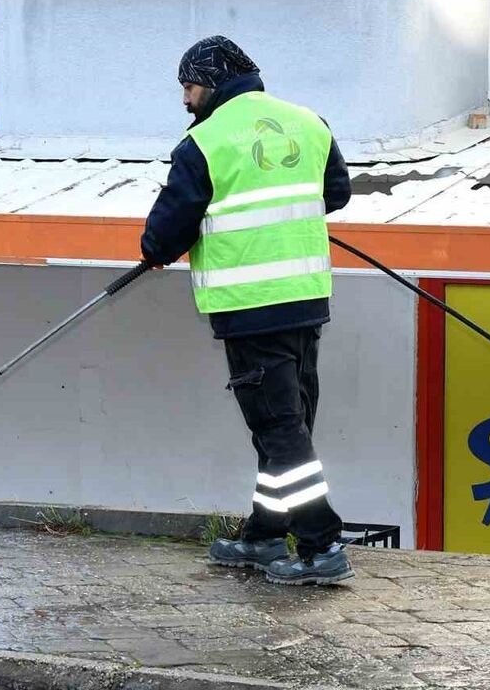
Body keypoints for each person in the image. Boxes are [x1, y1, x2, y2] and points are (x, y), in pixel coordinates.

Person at [140, 36, 354, 585]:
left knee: (280, 430)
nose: (185, 100)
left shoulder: (203, 144)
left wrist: (156, 252)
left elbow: (168, 227)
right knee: (285, 426)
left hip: (250, 307)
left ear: (210, 83)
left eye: (188, 87)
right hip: (306, 300)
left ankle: (320, 546)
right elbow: (336, 193)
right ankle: (263, 535)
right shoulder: (310, 122)